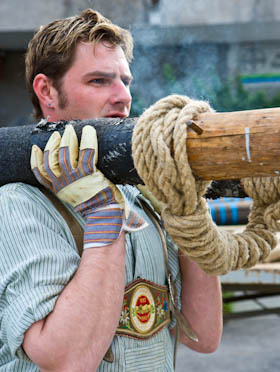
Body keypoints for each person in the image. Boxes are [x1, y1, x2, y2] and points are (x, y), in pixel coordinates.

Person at [0, 8, 222, 371]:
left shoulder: (140, 198)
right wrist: (104, 216)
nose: (123, 97)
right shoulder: (16, 204)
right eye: (99, 81)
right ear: (47, 91)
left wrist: (188, 208)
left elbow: (203, 334)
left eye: (125, 80)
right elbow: (67, 361)